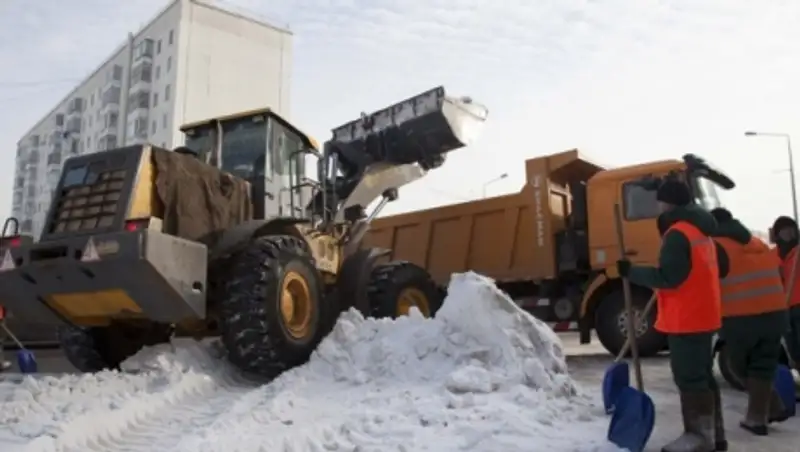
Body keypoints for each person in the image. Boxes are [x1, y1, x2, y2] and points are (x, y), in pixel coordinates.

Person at [617, 179, 728, 452]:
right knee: (703, 376)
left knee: (690, 378)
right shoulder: (702, 231)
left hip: (687, 319)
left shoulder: (678, 234)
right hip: (704, 315)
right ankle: (714, 436)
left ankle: (699, 438)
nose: (659, 206)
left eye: (661, 201)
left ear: (668, 203)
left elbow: (669, 277)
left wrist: (631, 271)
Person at [711, 208, 789, 435]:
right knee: (762, 366)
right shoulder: (758, 243)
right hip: (775, 315)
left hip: (741, 317)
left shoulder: (716, 246)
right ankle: (760, 416)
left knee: (737, 366)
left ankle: (769, 406)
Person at [771, 216, 800, 369]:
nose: (789, 235)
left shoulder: (797, 253)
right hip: (785, 310)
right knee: (793, 351)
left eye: (791, 231)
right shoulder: (773, 256)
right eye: (784, 231)